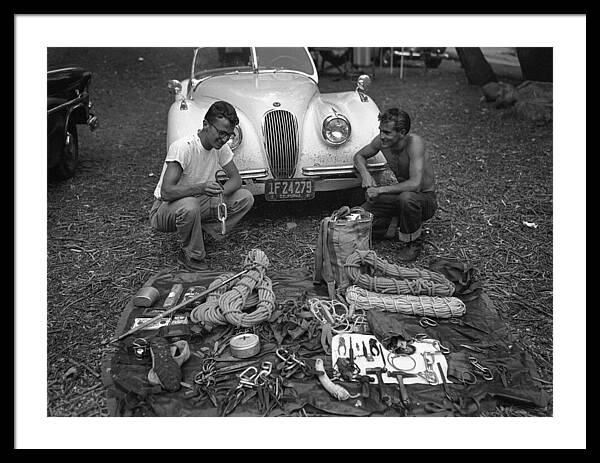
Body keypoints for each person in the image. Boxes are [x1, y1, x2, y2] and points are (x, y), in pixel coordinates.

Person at [149, 101, 254, 270]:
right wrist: (201, 188)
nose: (224, 139)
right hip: (164, 209)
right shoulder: (183, 147)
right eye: (221, 133)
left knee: (245, 197)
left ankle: (202, 232)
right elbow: (166, 192)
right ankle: (192, 256)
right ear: (205, 124)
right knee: (190, 205)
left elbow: (236, 179)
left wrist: (220, 194)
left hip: (198, 202)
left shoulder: (220, 148)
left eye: (229, 135)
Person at [353, 108, 437, 261]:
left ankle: (413, 243)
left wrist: (380, 190)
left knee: (406, 198)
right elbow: (359, 156)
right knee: (364, 211)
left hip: (424, 200)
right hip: (402, 196)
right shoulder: (382, 141)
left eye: (387, 132)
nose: (382, 136)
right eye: (381, 131)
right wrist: (365, 174)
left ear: (402, 132)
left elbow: (415, 184)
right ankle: (392, 226)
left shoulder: (414, 143)